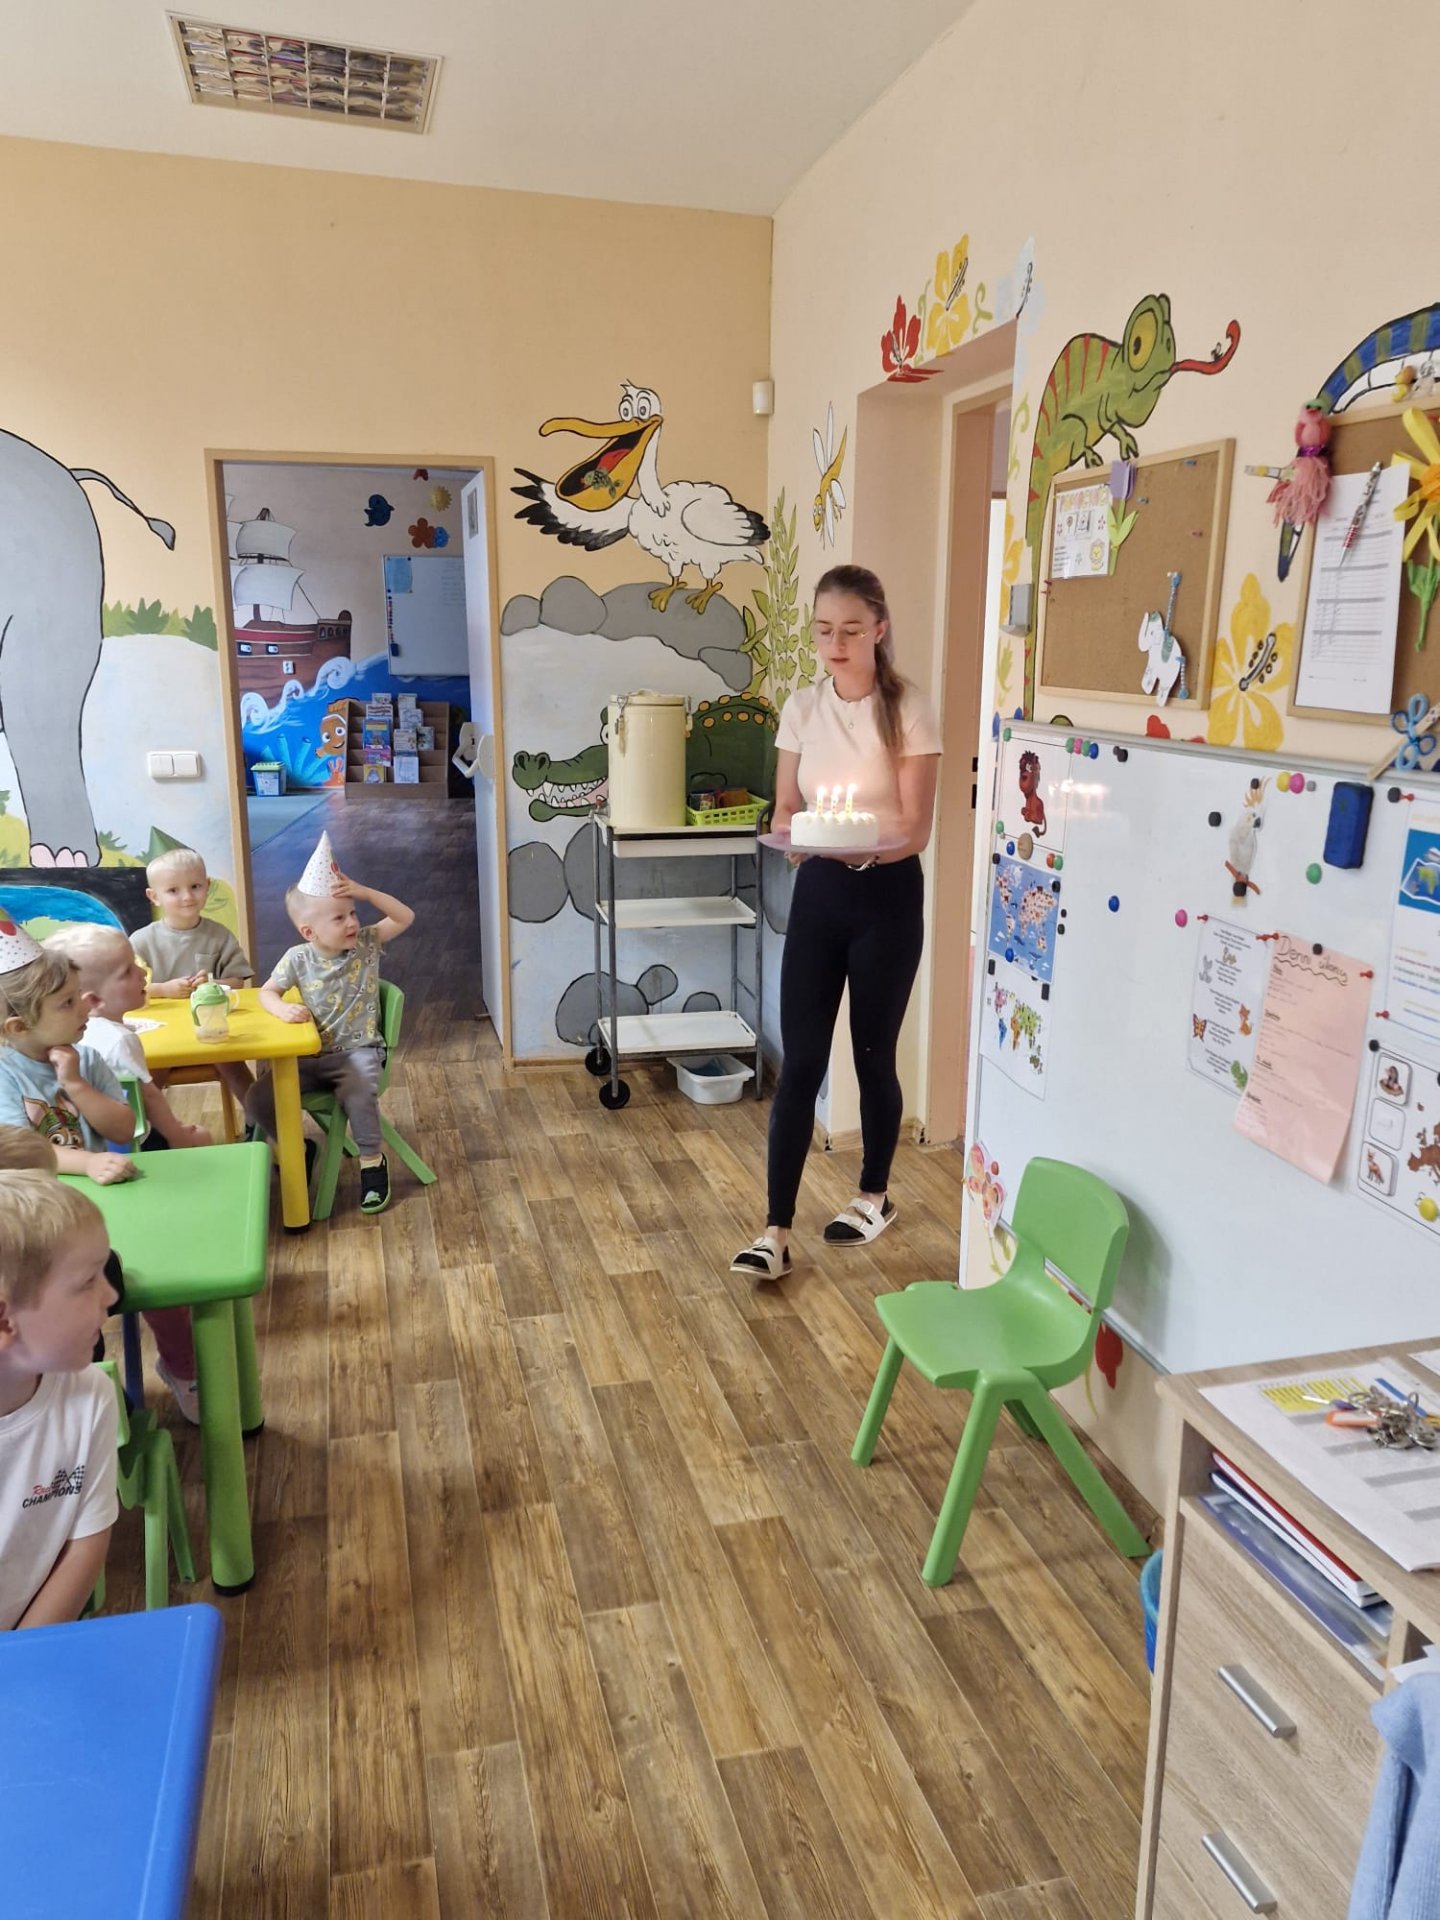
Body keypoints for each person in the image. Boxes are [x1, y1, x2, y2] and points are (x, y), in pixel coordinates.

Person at [730, 564, 941, 1279]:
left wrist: (855, 844)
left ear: (879, 629)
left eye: (850, 630)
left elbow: (914, 829)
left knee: (873, 1054)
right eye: (824, 630)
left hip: (887, 896)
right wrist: (799, 837)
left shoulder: (910, 710)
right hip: (820, 892)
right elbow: (787, 809)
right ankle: (775, 1230)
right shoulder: (802, 708)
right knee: (802, 1064)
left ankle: (874, 1195)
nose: (836, 644)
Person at [0, 938, 200, 1418]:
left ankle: (182, 1370)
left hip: (105, 1204)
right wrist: (88, 1162)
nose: (85, 1006)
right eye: (67, 1002)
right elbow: (20, 1154)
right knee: (65, 1306)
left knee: (163, 1281)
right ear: (19, 1026)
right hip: (40, 1219)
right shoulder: (5, 1073)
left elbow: (122, 1128)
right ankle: (76, 1393)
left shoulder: (86, 1058)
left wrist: (75, 1084)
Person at [244, 833, 414, 1216]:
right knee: (257, 1098)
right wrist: (281, 1009)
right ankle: (295, 1148)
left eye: (353, 912)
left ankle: (371, 1161)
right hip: (310, 1056)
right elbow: (266, 992)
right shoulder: (297, 959)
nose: (352, 922)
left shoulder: (367, 944)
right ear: (309, 932)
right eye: (339, 917)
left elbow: (405, 917)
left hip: (358, 1052)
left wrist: (365, 892)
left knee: (359, 1090)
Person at [0, 1169, 119, 1630]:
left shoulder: (90, 1399)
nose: (111, 1294)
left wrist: (20, 1658)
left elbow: (82, 1551)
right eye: (88, 1281)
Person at [44, 925, 212, 1150]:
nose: (142, 973)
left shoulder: (62, 1036)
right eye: (127, 971)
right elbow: (149, 1098)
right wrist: (178, 1135)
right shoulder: (118, 1040)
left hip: (77, 1143)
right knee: (201, 1137)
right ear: (94, 1001)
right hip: (127, 1145)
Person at [131, 845, 255, 1108]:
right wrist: (163, 989)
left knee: (233, 1063)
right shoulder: (141, 941)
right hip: (162, 1034)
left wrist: (212, 984)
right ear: (154, 896)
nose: (187, 897)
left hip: (212, 1028)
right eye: (173, 890)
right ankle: (154, 1127)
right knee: (152, 1072)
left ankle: (259, 1122)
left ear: (207, 886)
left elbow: (237, 981)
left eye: (195, 886)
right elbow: (128, 991)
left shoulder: (219, 935)